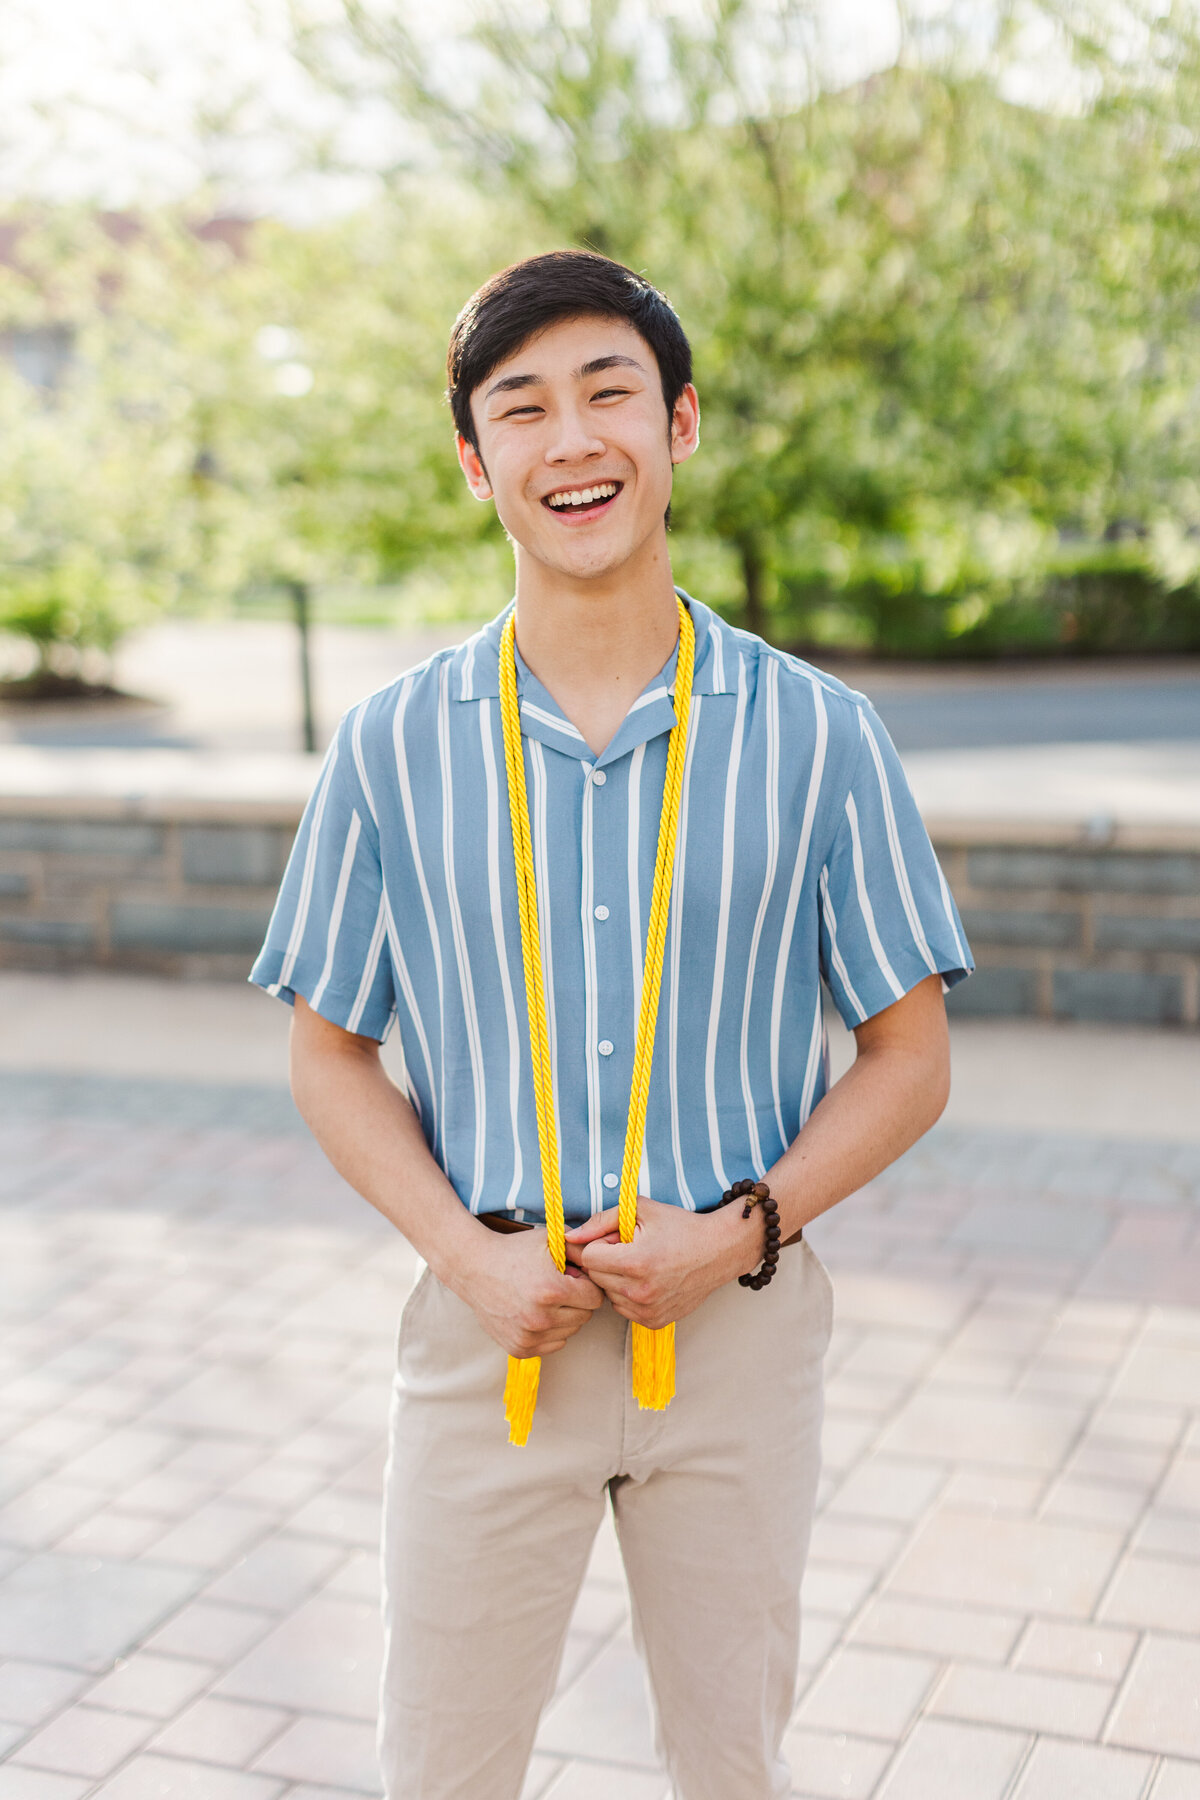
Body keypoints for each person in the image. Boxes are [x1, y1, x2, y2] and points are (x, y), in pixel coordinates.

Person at [250, 249, 972, 1800]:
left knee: (732, 1768)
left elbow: (910, 1057)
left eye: (608, 395)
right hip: (488, 1331)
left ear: (681, 424)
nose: (570, 440)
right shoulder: (387, 745)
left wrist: (742, 1229)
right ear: (475, 462)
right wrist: (463, 1255)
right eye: (521, 408)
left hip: (737, 1330)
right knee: (441, 1771)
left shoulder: (821, 734)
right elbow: (327, 1051)